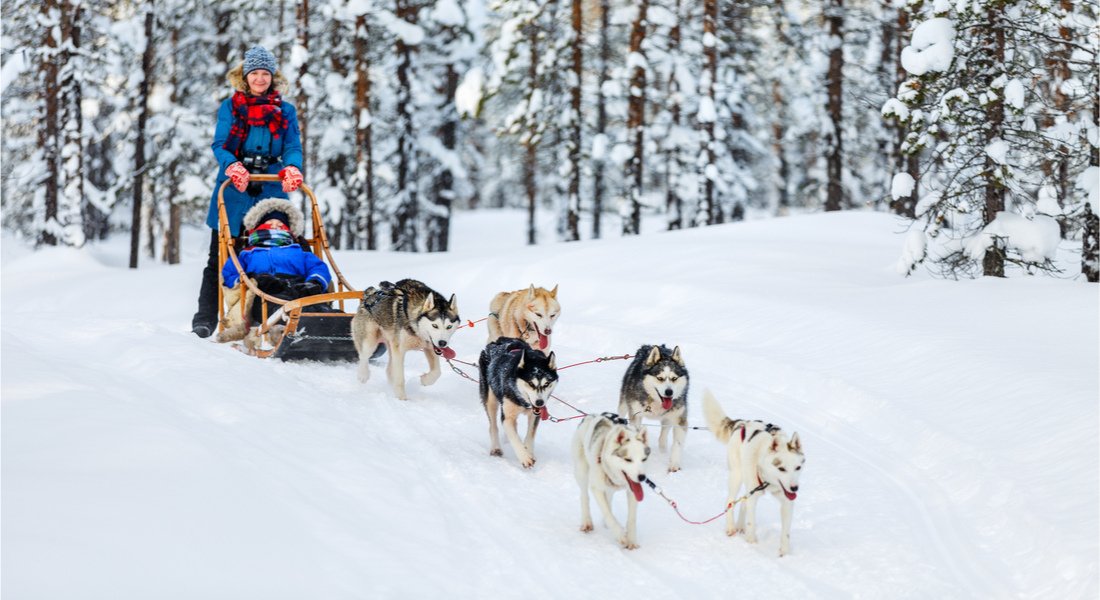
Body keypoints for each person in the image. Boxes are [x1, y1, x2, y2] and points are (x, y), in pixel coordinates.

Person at [192, 45, 304, 338]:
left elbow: (292, 146)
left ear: (272, 76)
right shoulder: (231, 107)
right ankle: (206, 319)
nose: (260, 78)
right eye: (254, 73)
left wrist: (292, 167)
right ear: (245, 76)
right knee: (221, 255)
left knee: (276, 250)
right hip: (233, 190)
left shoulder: (286, 111)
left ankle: (278, 313)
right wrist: (233, 166)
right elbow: (221, 145)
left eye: (265, 73)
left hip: (270, 186)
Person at [216, 198, 331, 343]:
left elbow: (318, 267)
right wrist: (252, 279)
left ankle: (340, 326)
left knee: (317, 307)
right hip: (265, 292)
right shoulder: (247, 253)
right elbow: (229, 274)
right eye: (270, 224)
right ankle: (288, 330)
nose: (275, 227)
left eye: (280, 225)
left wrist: (314, 281)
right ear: (258, 228)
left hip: (299, 288)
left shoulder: (299, 251)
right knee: (279, 308)